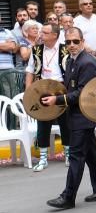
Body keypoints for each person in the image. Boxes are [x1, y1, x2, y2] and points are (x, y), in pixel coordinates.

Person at [41, 28, 96, 210]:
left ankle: (68, 196)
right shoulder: (73, 61)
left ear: (82, 41)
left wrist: (57, 100)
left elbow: (83, 93)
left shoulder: (86, 62)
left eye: (75, 41)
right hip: (77, 116)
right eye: (68, 42)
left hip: (83, 116)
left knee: (76, 157)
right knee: (91, 154)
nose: (71, 45)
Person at [24, 22, 68, 171]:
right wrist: (28, 91)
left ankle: (68, 153)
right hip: (42, 88)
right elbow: (30, 70)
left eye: (44, 33)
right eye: (41, 32)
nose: (40, 35)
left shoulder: (65, 49)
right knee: (43, 122)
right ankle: (43, 157)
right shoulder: (36, 49)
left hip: (61, 88)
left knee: (65, 121)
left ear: (54, 35)